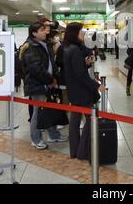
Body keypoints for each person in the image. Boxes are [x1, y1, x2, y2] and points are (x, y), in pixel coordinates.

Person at [21, 22, 68, 150]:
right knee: (38, 113)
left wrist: (55, 78)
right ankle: (36, 139)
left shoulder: (45, 44)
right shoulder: (30, 46)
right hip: (38, 84)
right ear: (34, 33)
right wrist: (49, 80)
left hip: (50, 83)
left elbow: (51, 63)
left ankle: (53, 135)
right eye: (42, 30)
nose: (46, 32)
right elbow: (35, 68)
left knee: (50, 109)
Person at [63, 22, 106, 160]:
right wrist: (96, 85)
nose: (83, 34)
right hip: (81, 91)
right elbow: (80, 74)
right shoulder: (74, 50)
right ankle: (83, 151)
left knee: (75, 120)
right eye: (81, 32)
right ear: (74, 33)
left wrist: (85, 63)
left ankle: (75, 151)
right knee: (91, 119)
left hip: (73, 90)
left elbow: (76, 69)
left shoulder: (69, 48)